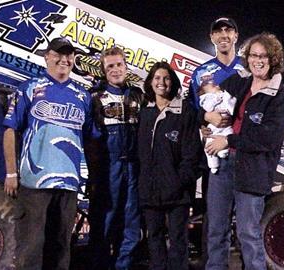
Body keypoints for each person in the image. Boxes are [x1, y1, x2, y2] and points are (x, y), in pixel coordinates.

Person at [3, 37, 93, 269]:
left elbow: (90, 139)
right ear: (47, 56)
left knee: (61, 246)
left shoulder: (83, 95)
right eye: (58, 54)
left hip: (69, 183)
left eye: (69, 55)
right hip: (35, 181)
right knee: (31, 246)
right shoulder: (29, 88)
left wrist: (88, 176)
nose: (64, 60)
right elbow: (10, 129)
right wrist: (11, 173)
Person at [204, 32, 284, 270]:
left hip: (253, 171)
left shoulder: (280, 96)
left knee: (248, 235)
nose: (258, 60)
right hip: (222, 166)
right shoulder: (239, 82)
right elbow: (211, 99)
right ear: (247, 58)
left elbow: (268, 139)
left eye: (263, 56)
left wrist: (229, 140)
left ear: (273, 59)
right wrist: (207, 118)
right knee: (216, 232)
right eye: (253, 55)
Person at [189, 17, 244, 266]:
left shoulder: (248, 67)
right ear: (212, 38)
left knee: (247, 224)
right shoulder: (201, 73)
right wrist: (205, 117)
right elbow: (191, 113)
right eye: (218, 31)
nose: (223, 35)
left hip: (244, 154)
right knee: (215, 223)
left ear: (235, 36)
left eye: (228, 30)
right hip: (214, 156)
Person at [138, 62, 201, 270]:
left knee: (178, 241)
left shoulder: (185, 111)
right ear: (150, 82)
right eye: (157, 78)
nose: (161, 83)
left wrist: (178, 181)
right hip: (150, 190)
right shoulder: (144, 112)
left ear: (172, 82)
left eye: (166, 78)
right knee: (154, 239)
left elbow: (192, 155)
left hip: (177, 193)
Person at [87, 47, 143, 270]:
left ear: (126, 67)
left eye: (119, 64)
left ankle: (123, 266)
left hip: (133, 167)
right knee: (104, 222)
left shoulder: (139, 95)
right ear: (103, 70)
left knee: (131, 224)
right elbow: (89, 139)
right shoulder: (94, 97)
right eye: (110, 66)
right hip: (107, 168)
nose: (115, 69)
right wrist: (94, 175)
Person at [198, 81, 236, 174]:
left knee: (229, 132)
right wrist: (205, 118)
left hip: (229, 130)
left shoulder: (226, 93)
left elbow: (233, 104)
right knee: (209, 144)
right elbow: (202, 110)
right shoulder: (207, 98)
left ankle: (223, 152)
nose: (215, 85)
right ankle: (213, 164)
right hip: (213, 128)